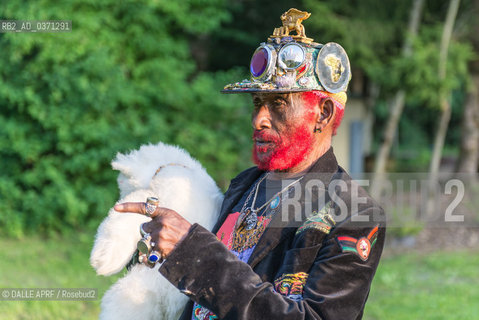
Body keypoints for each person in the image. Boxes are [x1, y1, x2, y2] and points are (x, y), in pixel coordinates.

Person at [114, 8, 386, 320]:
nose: (259, 120)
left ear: (322, 114)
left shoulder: (355, 213)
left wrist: (195, 255)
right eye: (257, 103)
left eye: (279, 104)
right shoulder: (245, 184)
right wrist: (153, 255)